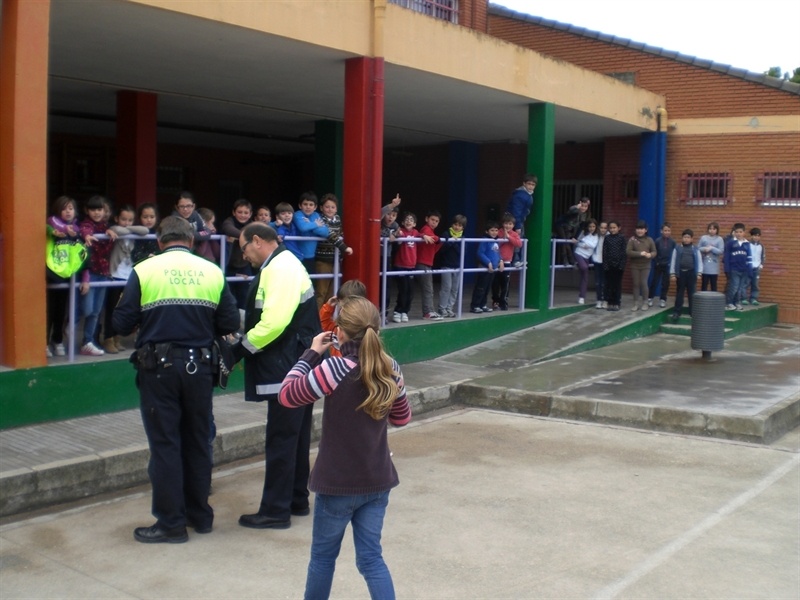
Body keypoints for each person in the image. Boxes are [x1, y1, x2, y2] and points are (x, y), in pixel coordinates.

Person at [112, 216, 239, 544]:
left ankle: (171, 523)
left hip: (159, 369)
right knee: (198, 440)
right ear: (192, 241)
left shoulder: (144, 270)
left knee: (166, 444)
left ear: (159, 241)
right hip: (201, 368)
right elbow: (228, 322)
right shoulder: (212, 270)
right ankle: (200, 516)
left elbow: (121, 324)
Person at [279, 296, 411, 599]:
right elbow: (402, 418)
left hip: (336, 484)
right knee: (371, 559)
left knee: (323, 559)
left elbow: (287, 395)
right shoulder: (390, 367)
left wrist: (311, 353)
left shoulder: (334, 368)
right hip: (377, 480)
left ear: (338, 331)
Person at [233, 222, 321, 529]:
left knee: (282, 439)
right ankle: (296, 499)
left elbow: (273, 323)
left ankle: (275, 510)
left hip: (287, 367)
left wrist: (239, 350)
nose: (244, 256)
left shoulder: (279, 268)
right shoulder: (286, 263)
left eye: (244, 248)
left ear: (257, 240)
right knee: (296, 437)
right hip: (299, 364)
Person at [102, 204, 148, 354]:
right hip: (115, 275)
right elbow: (118, 230)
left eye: (130, 220)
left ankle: (117, 337)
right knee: (112, 308)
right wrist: (128, 229)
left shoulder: (132, 231)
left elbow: (145, 230)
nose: (126, 223)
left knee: (123, 308)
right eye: (123, 219)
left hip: (128, 275)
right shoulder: (114, 229)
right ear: (116, 218)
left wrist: (129, 228)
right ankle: (108, 337)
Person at [78, 195, 118, 356]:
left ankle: (87, 342)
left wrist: (109, 231)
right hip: (90, 273)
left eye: (99, 209)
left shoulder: (105, 226)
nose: (96, 213)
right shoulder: (86, 224)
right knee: (87, 309)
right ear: (87, 211)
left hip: (103, 273)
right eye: (93, 209)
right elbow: (85, 229)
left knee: (96, 311)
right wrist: (87, 235)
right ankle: (70, 325)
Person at [46, 195, 81, 357]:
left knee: (61, 311)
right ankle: (44, 342)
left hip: (67, 274)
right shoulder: (53, 222)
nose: (68, 212)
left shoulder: (75, 227)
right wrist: (63, 230)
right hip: (52, 272)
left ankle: (57, 340)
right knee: (49, 311)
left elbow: (79, 232)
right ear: (57, 210)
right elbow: (52, 225)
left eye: (71, 208)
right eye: (64, 208)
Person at [314, 193, 353, 309]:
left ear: (336, 209)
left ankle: (328, 316)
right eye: (327, 207)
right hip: (323, 260)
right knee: (321, 291)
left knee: (332, 292)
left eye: (333, 207)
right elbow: (330, 234)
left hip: (335, 259)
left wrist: (341, 255)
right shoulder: (319, 219)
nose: (330, 209)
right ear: (321, 208)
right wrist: (344, 247)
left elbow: (340, 233)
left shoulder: (337, 219)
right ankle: (317, 317)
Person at [219, 198, 254, 311]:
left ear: (250, 214)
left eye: (246, 212)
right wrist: (248, 236)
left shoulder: (253, 225)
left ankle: (243, 320)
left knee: (244, 297)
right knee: (228, 298)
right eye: (239, 212)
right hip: (228, 266)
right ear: (234, 212)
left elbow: (259, 231)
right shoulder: (229, 221)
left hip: (244, 266)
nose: (243, 215)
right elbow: (228, 229)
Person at [319, 279, 367, 358]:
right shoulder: (338, 325)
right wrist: (328, 307)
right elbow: (323, 325)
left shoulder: (364, 327)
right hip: (338, 363)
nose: (341, 307)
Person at [669, 229, 703, 323]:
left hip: (691, 273)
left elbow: (699, 261)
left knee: (692, 293)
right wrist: (672, 274)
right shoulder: (677, 248)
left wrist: (699, 273)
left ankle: (692, 312)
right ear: (682, 238)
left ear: (692, 239)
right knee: (680, 293)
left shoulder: (695, 249)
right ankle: (677, 312)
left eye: (688, 237)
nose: (686, 239)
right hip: (681, 273)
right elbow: (673, 261)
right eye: (684, 237)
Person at [391, 212, 420, 323]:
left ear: (415, 224)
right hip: (400, 266)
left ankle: (405, 311)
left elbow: (422, 235)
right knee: (403, 289)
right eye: (407, 219)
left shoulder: (415, 232)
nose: (409, 221)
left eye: (411, 220)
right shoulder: (401, 231)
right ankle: (398, 311)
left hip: (411, 266)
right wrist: (397, 236)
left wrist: (425, 236)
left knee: (410, 291)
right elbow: (395, 237)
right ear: (403, 222)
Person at [293, 192, 330, 275]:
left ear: (315, 207)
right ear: (300, 206)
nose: (308, 207)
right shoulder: (297, 214)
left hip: (311, 257)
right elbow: (303, 228)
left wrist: (310, 224)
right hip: (297, 256)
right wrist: (316, 224)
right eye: (305, 204)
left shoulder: (316, 215)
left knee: (311, 280)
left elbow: (325, 232)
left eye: (311, 204)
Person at [437, 214, 466, 318]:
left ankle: (449, 308)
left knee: (454, 289)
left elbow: (462, 252)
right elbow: (442, 249)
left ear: (463, 228)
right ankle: (442, 308)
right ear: (452, 224)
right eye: (455, 224)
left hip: (457, 267)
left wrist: (455, 242)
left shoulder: (463, 238)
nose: (457, 227)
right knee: (446, 287)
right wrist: (451, 241)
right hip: (446, 265)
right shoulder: (446, 234)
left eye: (460, 225)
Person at [492, 212, 522, 311]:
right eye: (506, 223)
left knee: (505, 283)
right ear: (502, 224)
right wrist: (503, 238)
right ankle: (495, 301)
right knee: (495, 283)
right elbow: (495, 244)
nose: (508, 226)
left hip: (507, 262)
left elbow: (519, 244)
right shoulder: (498, 232)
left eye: (510, 224)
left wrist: (509, 237)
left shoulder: (514, 234)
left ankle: (503, 302)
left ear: (513, 225)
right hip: (496, 261)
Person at [470, 221, 502, 314]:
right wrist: (488, 262)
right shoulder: (485, 240)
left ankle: (483, 304)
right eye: (492, 230)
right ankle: (475, 305)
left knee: (487, 288)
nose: (494, 232)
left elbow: (497, 253)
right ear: (487, 231)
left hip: (493, 269)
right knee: (481, 287)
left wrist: (501, 261)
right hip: (484, 268)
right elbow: (480, 253)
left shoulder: (496, 241)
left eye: (496, 230)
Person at [416, 210, 442, 320]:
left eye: (436, 221)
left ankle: (430, 310)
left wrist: (439, 241)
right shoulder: (426, 229)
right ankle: (428, 312)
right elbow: (432, 237)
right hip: (422, 263)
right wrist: (439, 239)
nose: (434, 222)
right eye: (432, 219)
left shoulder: (430, 232)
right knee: (428, 289)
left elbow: (435, 247)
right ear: (427, 219)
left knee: (429, 288)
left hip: (427, 263)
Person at [505, 174, 536, 266]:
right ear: (524, 184)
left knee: (519, 239)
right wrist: (518, 226)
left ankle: (518, 259)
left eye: (533, 184)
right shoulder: (521, 195)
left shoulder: (526, 195)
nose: (530, 186)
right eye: (529, 184)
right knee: (517, 239)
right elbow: (516, 211)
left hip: (517, 220)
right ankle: (516, 260)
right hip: (515, 221)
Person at [626, 220, 656, 312]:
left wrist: (650, 255)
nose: (640, 231)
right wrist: (640, 253)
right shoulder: (632, 239)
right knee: (636, 283)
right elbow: (628, 252)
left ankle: (645, 302)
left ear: (646, 230)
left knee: (643, 283)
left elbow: (654, 251)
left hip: (646, 265)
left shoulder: (649, 240)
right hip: (635, 265)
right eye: (638, 229)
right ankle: (636, 303)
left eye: (642, 229)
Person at [554, 197, 591, 266]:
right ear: (579, 204)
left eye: (585, 206)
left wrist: (575, 237)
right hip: (561, 225)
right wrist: (577, 207)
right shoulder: (575, 209)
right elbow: (570, 211)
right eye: (582, 206)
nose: (583, 208)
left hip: (568, 228)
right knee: (565, 241)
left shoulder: (585, 215)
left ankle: (569, 260)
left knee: (566, 242)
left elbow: (581, 227)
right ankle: (568, 260)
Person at [724, 223, 753, 311]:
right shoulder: (730, 243)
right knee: (734, 287)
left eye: (740, 232)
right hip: (734, 269)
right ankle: (729, 303)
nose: (739, 234)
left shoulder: (747, 244)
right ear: (734, 233)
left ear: (744, 232)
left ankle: (737, 302)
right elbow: (726, 256)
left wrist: (750, 269)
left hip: (744, 270)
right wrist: (727, 269)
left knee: (740, 288)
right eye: (737, 232)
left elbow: (749, 257)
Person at [647, 223, 676, 308]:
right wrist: (656, 262)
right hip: (658, 265)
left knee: (665, 283)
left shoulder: (673, 242)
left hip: (668, 265)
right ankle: (650, 298)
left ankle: (663, 299)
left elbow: (674, 254)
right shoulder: (657, 241)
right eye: (665, 230)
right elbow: (654, 252)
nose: (667, 232)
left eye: (668, 230)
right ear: (661, 231)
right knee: (655, 282)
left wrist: (671, 264)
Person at [572, 219, 599, 305]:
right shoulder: (583, 233)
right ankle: (577, 263)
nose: (592, 228)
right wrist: (583, 244)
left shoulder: (596, 235)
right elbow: (576, 242)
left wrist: (583, 243)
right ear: (587, 227)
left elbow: (593, 245)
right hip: (579, 253)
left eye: (593, 226)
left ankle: (582, 297)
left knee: (585, 277)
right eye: (590, 226)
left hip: (587, 257)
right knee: (584, 267)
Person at [603, 221, 626, 312]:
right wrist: (605, 265)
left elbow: (623, 253)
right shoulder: (607, 238)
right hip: (609, 266)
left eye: (614, 228)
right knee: (609, 284)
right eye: (611, 228)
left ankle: (617, 302)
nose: (612, 230)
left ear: (619, 228)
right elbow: (605, 252)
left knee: (617, 284)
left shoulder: (622, 238)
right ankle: (610, 302)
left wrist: (621, 265)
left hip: (618, 266)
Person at [698, 222, 725, 292]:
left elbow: (721, 251)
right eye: (710, 229)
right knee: (704, 284)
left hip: (714, 267)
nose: (712, 230)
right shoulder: (703, 238)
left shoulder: (719, 239)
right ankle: (703, 298)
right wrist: (704, 249)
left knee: (714, 285)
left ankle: (714, 298)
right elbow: (698, 248)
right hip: (705, 266)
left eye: (714, 229)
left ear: (717, 230)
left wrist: (712, 248)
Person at [745, 227, 764, 305]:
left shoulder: (761, 246)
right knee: (746, 283)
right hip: (748, 267)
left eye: (758, 236)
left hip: (757, 268)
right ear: (751, 236)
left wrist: (761, 265)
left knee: (755, 284)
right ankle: (743, 298)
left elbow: (763, 256)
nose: (756, 237)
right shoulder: (747, 245)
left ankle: (753, 298)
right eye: (755, 235)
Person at [592, 221, 607, 309]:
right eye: (601, 228)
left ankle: (605, 300)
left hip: (606, 262)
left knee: (605, 282)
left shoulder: (609, 237)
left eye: (605, 228)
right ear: (599, 228)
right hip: (597, 261)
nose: (603, 230)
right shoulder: (595, 236)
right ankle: (598, 300)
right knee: (598, 282)